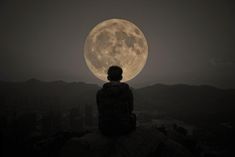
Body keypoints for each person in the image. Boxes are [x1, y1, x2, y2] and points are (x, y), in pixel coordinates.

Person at [96, 66, 136, 136]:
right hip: (124, 128)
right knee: (133, 116)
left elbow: (100, 110)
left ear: (108, 78)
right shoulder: (127, 91)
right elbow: (130, 109)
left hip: (105, 129)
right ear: (121, 77)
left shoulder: (100, 93)